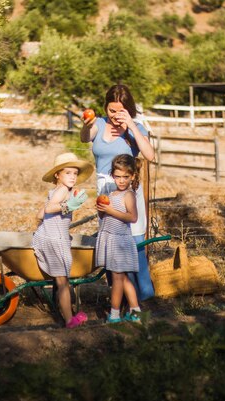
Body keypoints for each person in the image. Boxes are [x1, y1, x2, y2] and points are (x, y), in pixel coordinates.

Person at [80, 84, 156, 301]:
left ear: (128, 109)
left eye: (119, 111)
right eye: (111, 110)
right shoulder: (100, 123)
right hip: (105, 189)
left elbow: (150, 155)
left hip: (127, 191)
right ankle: (119, 297)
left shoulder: (136, 127)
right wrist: (86, 125)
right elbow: (85, 138)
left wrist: (131, 125)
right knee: (112, 242)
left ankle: (144, 295)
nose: (114, 115)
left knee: (134, 241)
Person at [32, 152, 93, 329]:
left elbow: (41, 212)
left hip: (49, 236)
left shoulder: (57, 191)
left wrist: (43, 219)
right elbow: (51, 207)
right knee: (63, 282)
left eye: (75, 173)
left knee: (62, 281)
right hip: (54, 240)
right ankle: (69, 320)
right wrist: (69, 205)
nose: (72, 177)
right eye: (68, 173)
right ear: (57, 175)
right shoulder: (62, 190)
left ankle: (69, 314)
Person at [95, 154, 142, 323]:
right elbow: (104, 215)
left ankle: (114, 314)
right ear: (112, 175)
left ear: (132, 176)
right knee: (123, 278)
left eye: (125, 177)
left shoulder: (128, 195)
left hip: (120, 241)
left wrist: (110, 211)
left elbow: (133, 217)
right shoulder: (111, 193)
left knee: (116, 279)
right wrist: (101, 208)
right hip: (110, 238)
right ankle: (136, 313)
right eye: (118, 176)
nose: (121, 181)